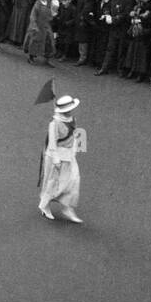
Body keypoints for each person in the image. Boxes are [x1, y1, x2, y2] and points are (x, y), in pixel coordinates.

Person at [38, 95, 84, 223]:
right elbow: (52, 143)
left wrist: (76, 149)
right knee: (52, 182)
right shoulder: (54, 124)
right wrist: (56, 160)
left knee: (73, 181)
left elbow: (76, 135)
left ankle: (67, 207)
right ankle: (44, 205)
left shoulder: (72, 119)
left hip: (69, 155)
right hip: (55, 156)